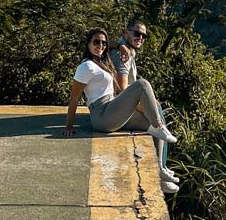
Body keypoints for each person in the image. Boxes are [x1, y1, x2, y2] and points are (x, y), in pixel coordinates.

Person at [63, 28, 178, 180]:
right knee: (142, 84)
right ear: (88, 44)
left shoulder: (102, 62)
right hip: (102, 116)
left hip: (112, 109)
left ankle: (160, 172)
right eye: (96, 42)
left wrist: (120, 46)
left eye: (103, 43)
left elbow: (108, 45)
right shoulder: (86, 67)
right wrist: (69, 126)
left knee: (151, 121)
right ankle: (159, 126)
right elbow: (74, 98)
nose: (101, 45)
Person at [111, 18, 180, 194]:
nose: (140, 37)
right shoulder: (123, 56)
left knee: (157, 112)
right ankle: (160, 172)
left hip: (121, 106)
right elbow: (122, 91)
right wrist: (145, 108)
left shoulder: (124, 49)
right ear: (126, 32)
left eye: (143, 35)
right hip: (116, 110)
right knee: (155, 123)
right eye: (137, 33)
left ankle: (162, 169)